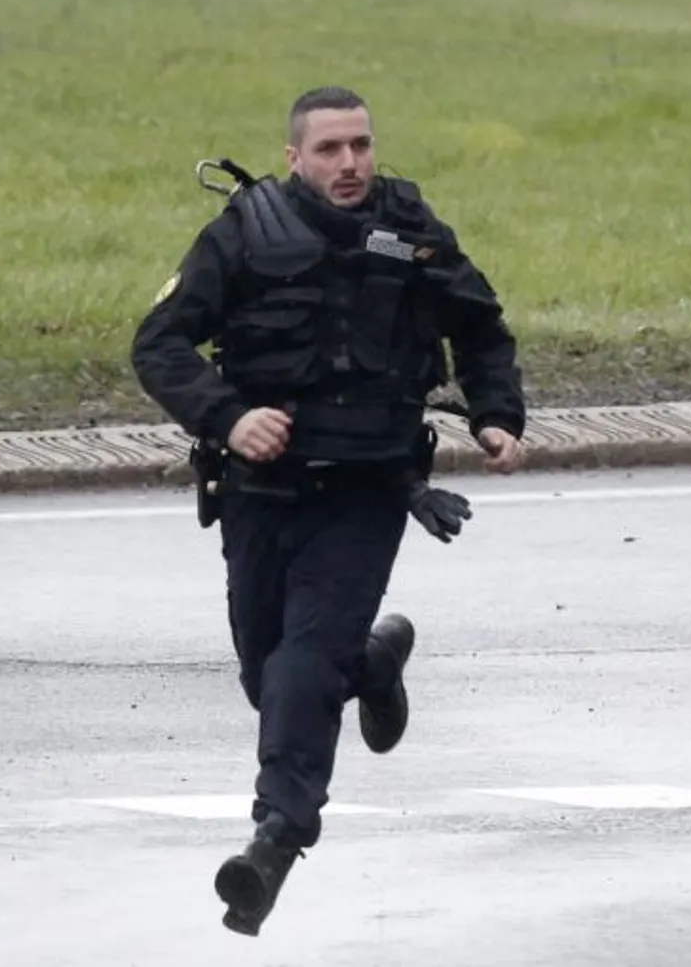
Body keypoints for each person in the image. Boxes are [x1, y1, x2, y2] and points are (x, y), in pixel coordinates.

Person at [129, 86, 530, 935]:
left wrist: (498, 412)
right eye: (329, 150)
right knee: (265, 676)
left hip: (369, 487)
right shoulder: (245, 231)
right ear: (294, 159)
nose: (349, 165)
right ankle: (376, 664)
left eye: (361, 145)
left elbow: (482, 327)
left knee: (303, 667)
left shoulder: (413, 231)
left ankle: (274, 840)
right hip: (261, 493)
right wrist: (228, 415)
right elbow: (159, 342)